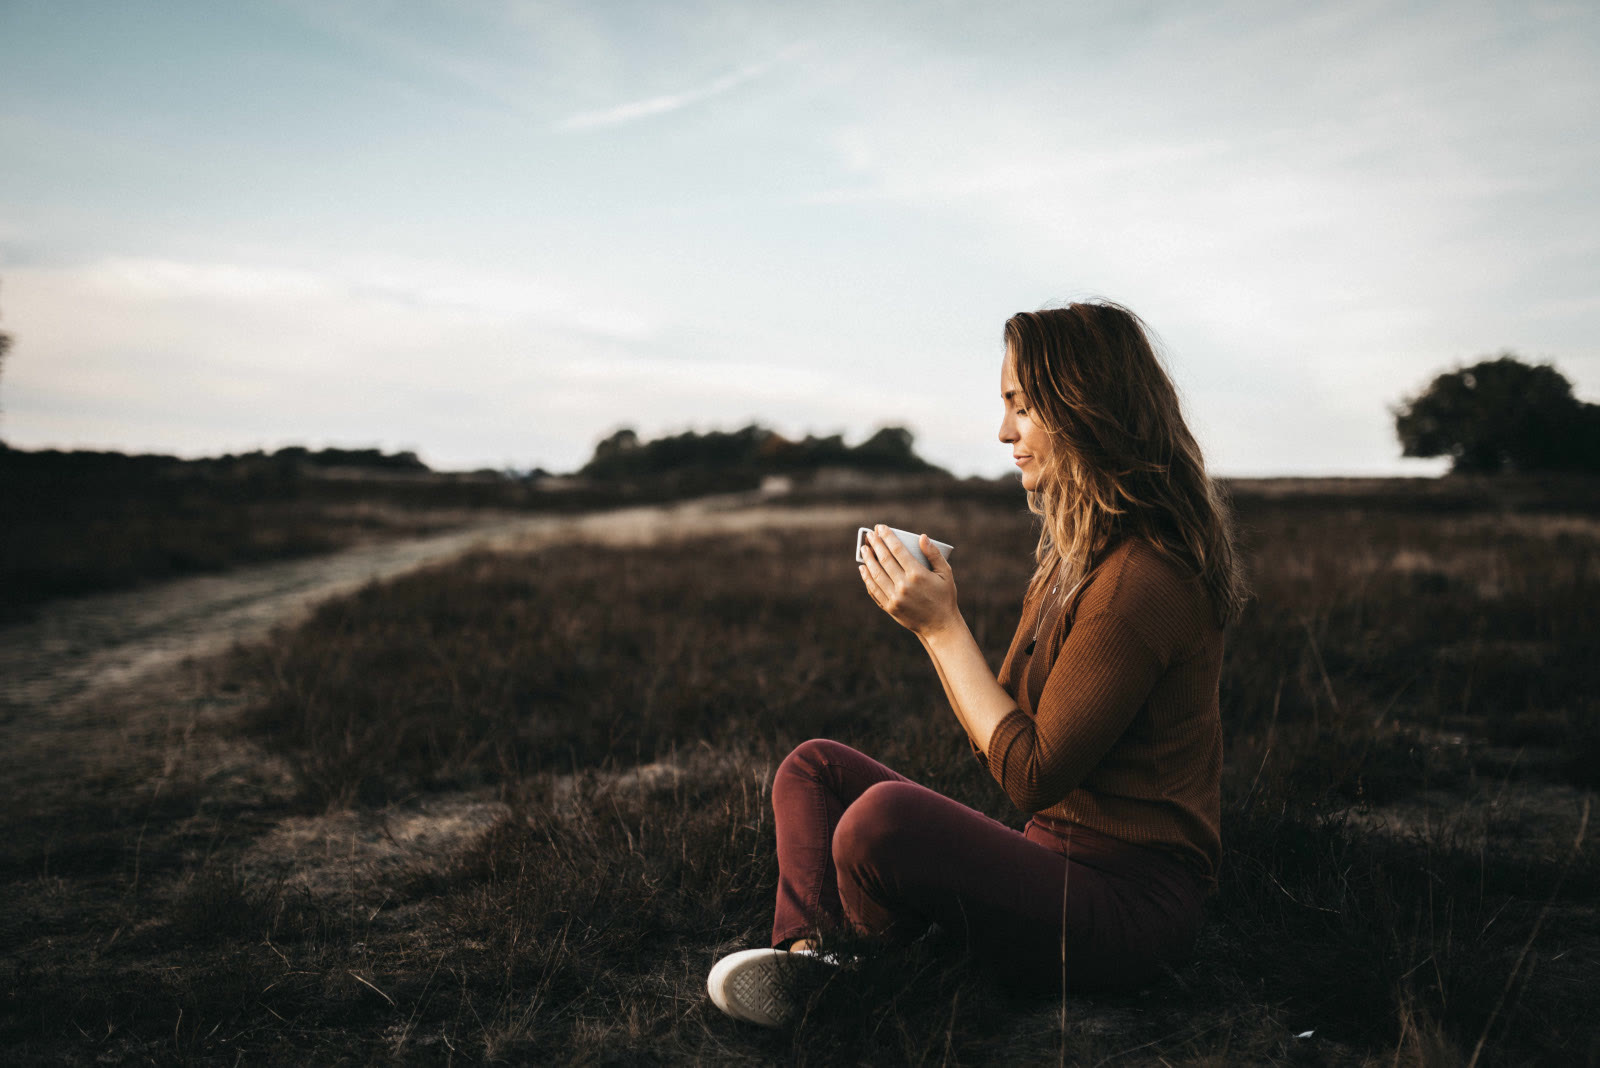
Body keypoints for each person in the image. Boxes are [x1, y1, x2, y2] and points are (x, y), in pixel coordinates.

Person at [707, 301, 1248, 1028]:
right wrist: (936, 625)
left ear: (1085, 410)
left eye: (1022, 408)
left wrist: (942, 629)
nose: (1003, 432)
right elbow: (1008, 736)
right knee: (814, 768)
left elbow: (1030, 773)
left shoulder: (1142, 579)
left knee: (882, 820)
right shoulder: (1071, 559)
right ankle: (813, 962)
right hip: (1052, 860)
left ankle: (866, 975)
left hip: (1129, 907)